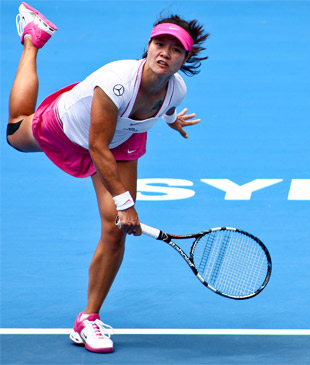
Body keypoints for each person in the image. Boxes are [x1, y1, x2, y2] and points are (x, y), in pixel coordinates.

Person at [7, 2, 209, 353]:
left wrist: (171, 120)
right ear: (148, 46)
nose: (165, 53)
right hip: (70, 129)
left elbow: (167, 104)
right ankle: (32, 41)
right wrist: (125, 204)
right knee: (15, 132)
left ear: (184, 60)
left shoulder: (177, 89)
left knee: (115, 229)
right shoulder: (117, 81)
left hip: (125, 136)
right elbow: (97, 147)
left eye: (176, 50)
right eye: (160, 44)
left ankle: (89, 319)